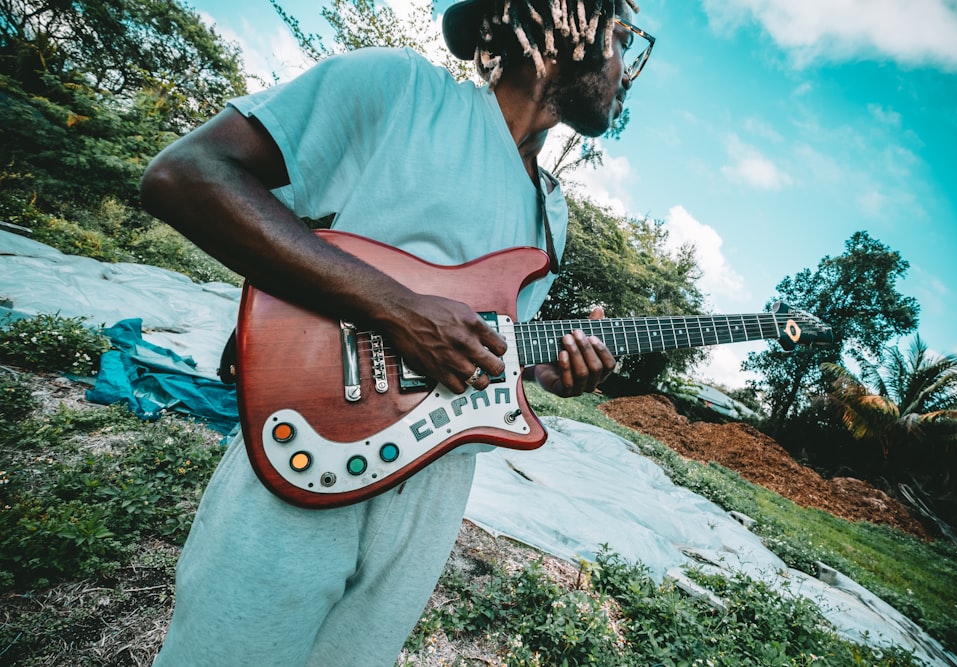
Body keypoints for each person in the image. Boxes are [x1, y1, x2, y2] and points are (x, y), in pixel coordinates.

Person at [140, 0, 654, 663]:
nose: (628, 70)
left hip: (433, 494)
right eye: (620, 39)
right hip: (311, 440)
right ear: (563, 23)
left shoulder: (551, 213)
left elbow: (483, 351)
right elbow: (187, 175)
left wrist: (546, 370)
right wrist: (397, 308)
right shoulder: (401, 90)